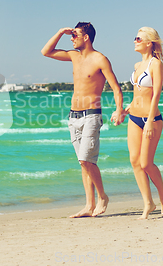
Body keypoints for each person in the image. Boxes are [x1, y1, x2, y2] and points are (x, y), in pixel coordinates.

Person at [41, 22, 124, 218]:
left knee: (86, 158)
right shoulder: (73, 56)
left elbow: (115, 87)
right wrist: (61, 31)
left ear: (86, 37)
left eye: (75, 35)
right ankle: (89, 205)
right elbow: (46, 51)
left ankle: (102, 197)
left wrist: (119, 109)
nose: (72, 38)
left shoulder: (100, 59)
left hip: (91, 115)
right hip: (73, 116)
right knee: (83, 163)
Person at [120, 26, 163, 219]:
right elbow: (138, 94)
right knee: (134, 161)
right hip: (134, 118)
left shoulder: (155, 64)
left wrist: (150, 120)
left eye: (138, 38)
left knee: (146, 163)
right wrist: (127, 109)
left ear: (149, 43)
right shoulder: (136, 66)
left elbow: (156, 93)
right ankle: (148, 203)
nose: (135, 41)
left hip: (152, 119)